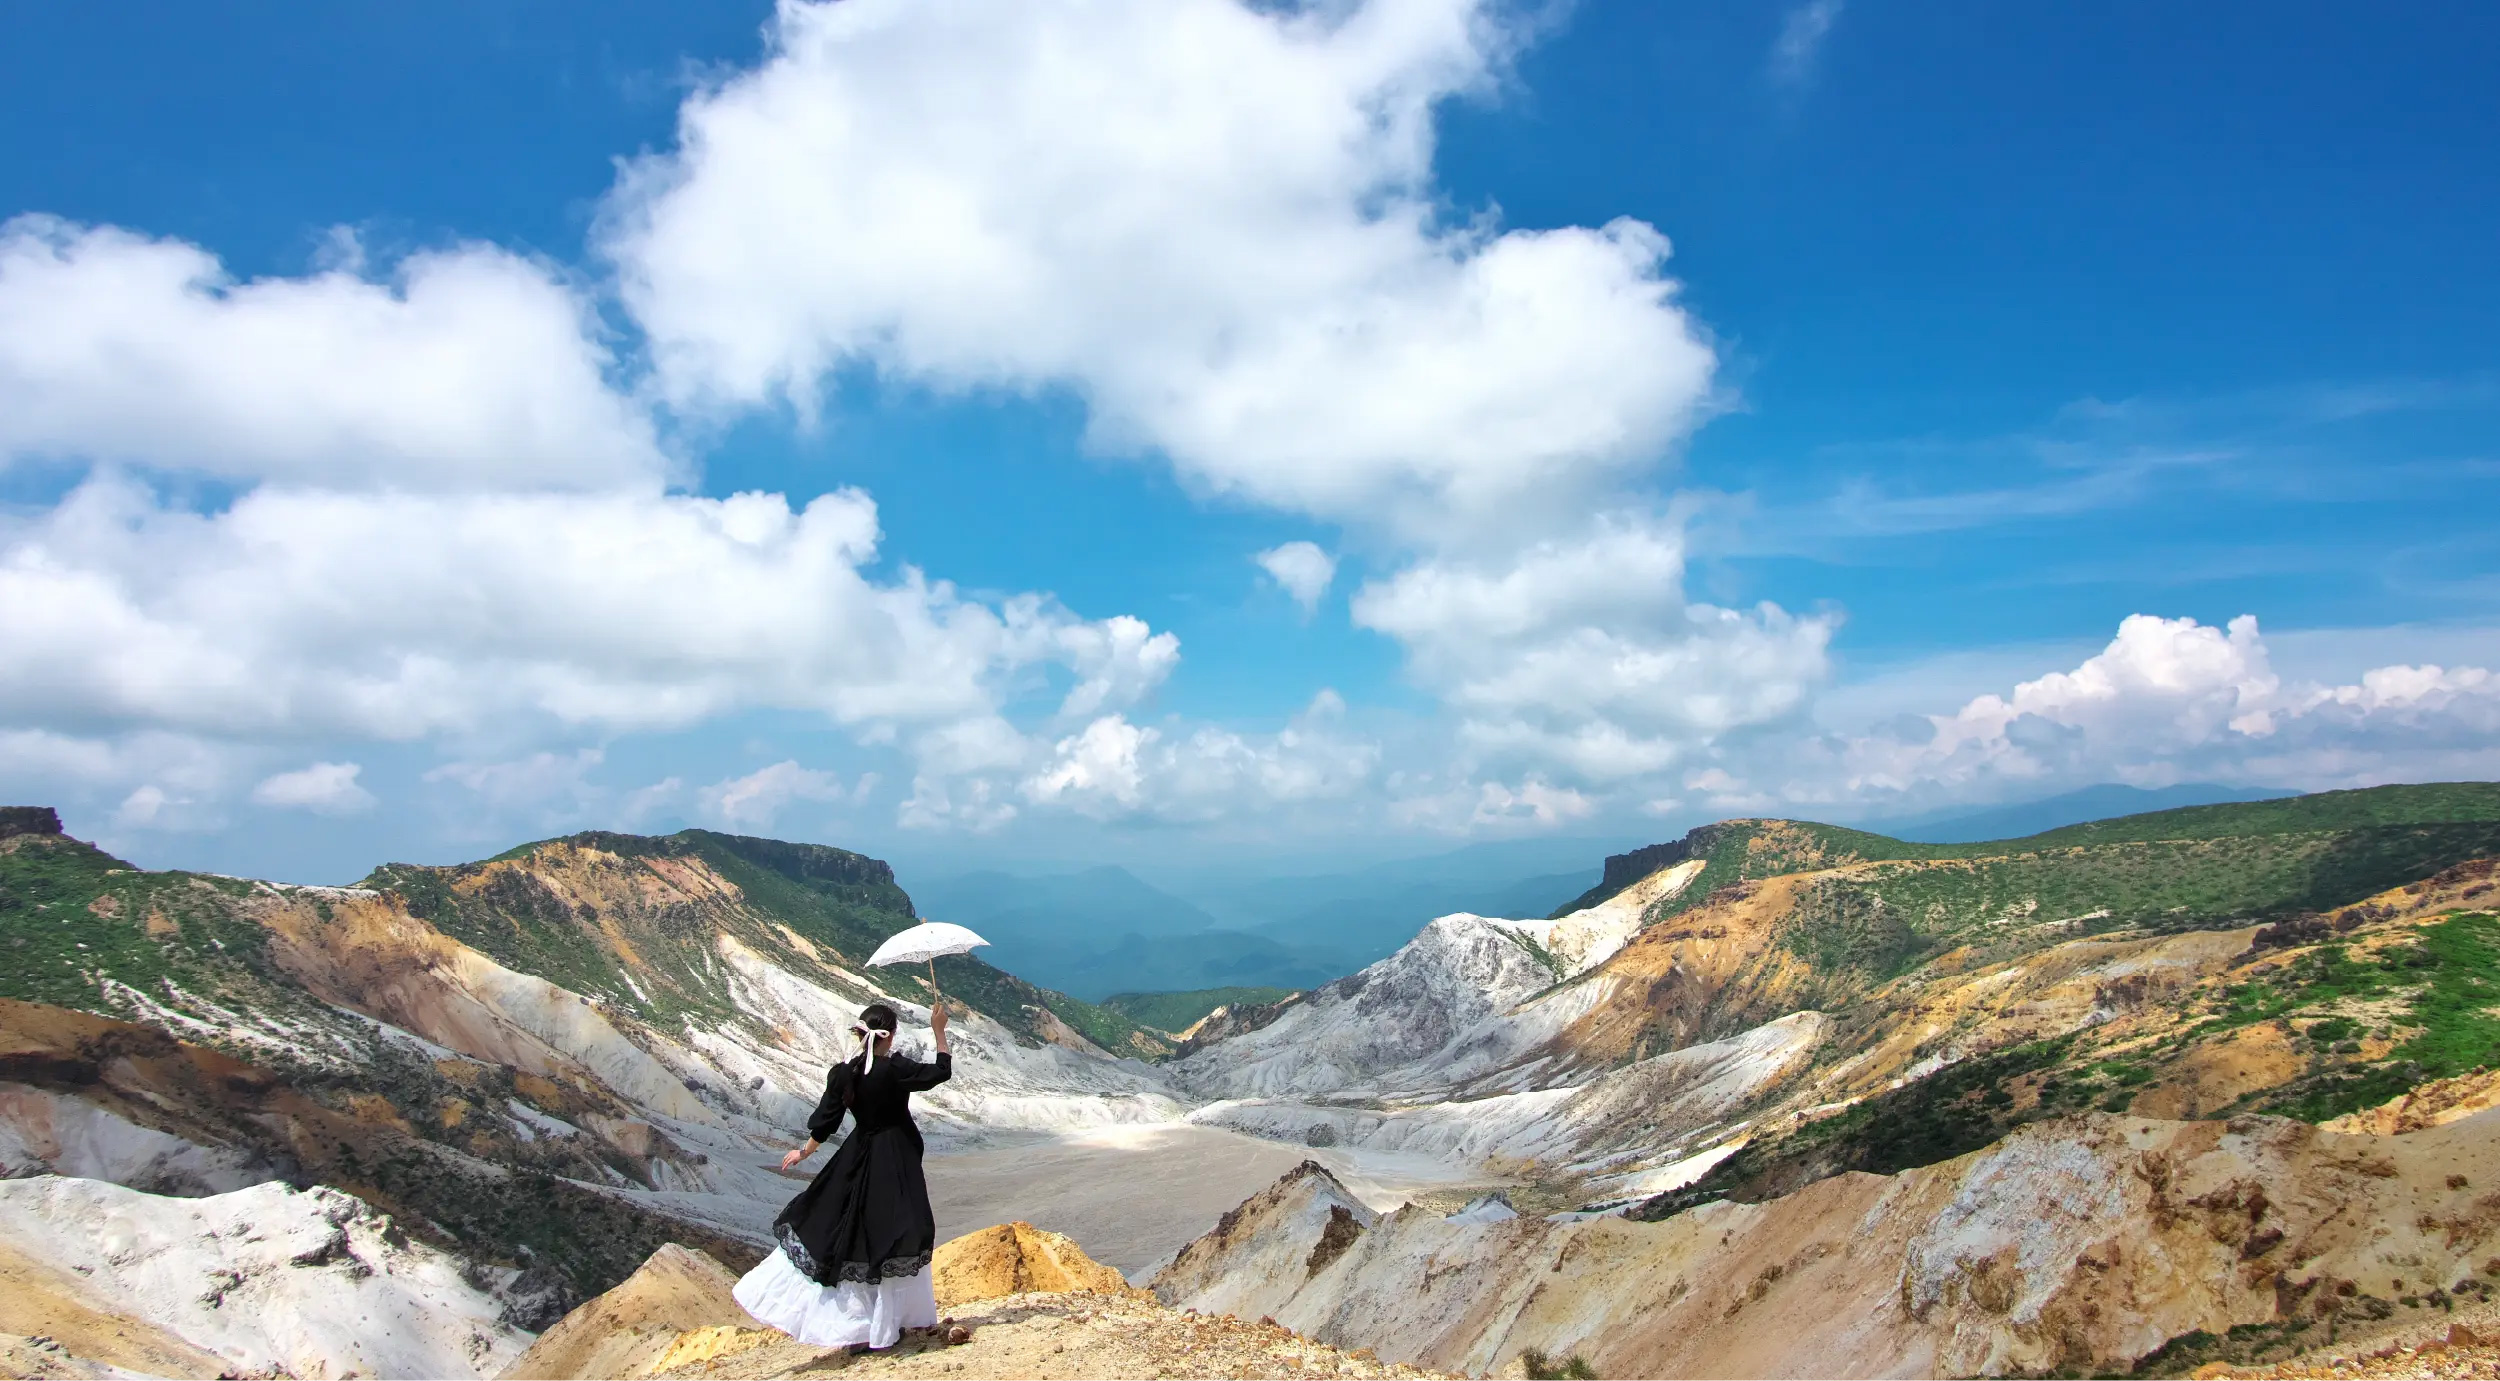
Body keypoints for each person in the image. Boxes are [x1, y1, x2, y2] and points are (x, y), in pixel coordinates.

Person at [732, 998, 953, 1352]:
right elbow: (940, 1072)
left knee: (852, 1233)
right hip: (895, 1158)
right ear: (890, 1036)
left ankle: (858, 1327)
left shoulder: (845, 1073)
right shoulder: (894, 1069)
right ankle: (886, 1323)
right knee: (899, 1231)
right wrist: (939, 1031)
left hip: (857, 1154)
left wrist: (803, 1152)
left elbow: (827, 1120)